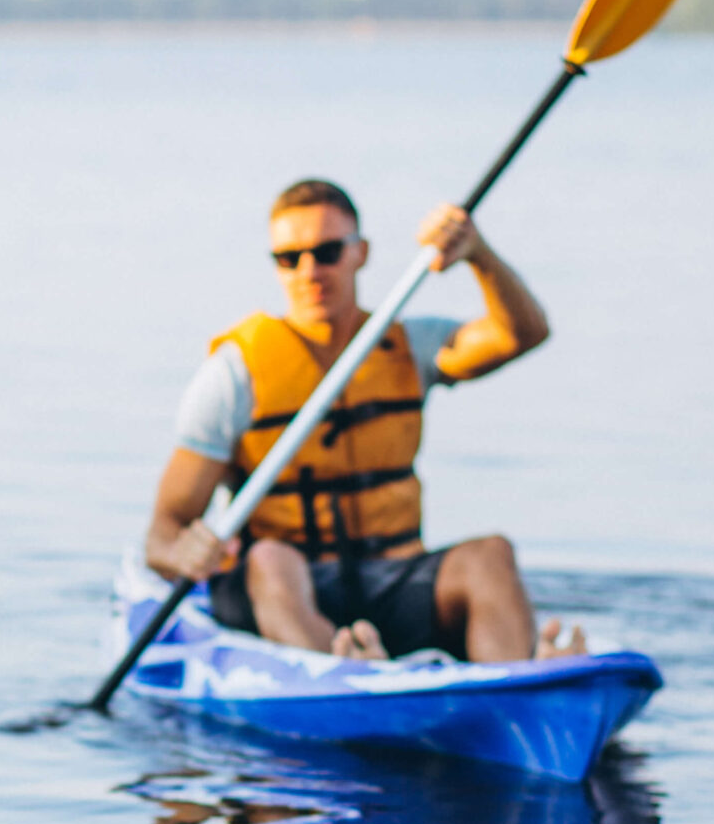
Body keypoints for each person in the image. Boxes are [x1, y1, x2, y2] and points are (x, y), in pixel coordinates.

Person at [143, 177, 587, 663]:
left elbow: (521, 333)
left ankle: (514, 681)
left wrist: (478, 254)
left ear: (361, 253)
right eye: (289, 258)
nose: (310, 271)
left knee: (490, 556)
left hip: (392, 577)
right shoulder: (233, 376)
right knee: (270, 558)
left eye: (328, 251)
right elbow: (162, 534)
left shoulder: (409, 347)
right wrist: (182, 553)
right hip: (286, 588)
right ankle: (345, 673)